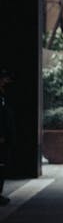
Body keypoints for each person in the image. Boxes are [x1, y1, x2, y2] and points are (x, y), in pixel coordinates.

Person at [0, 68, 15, 206]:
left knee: (3, 164)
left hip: (6, 134)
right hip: (2, 136)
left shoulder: (4, 93)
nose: (6, 81)